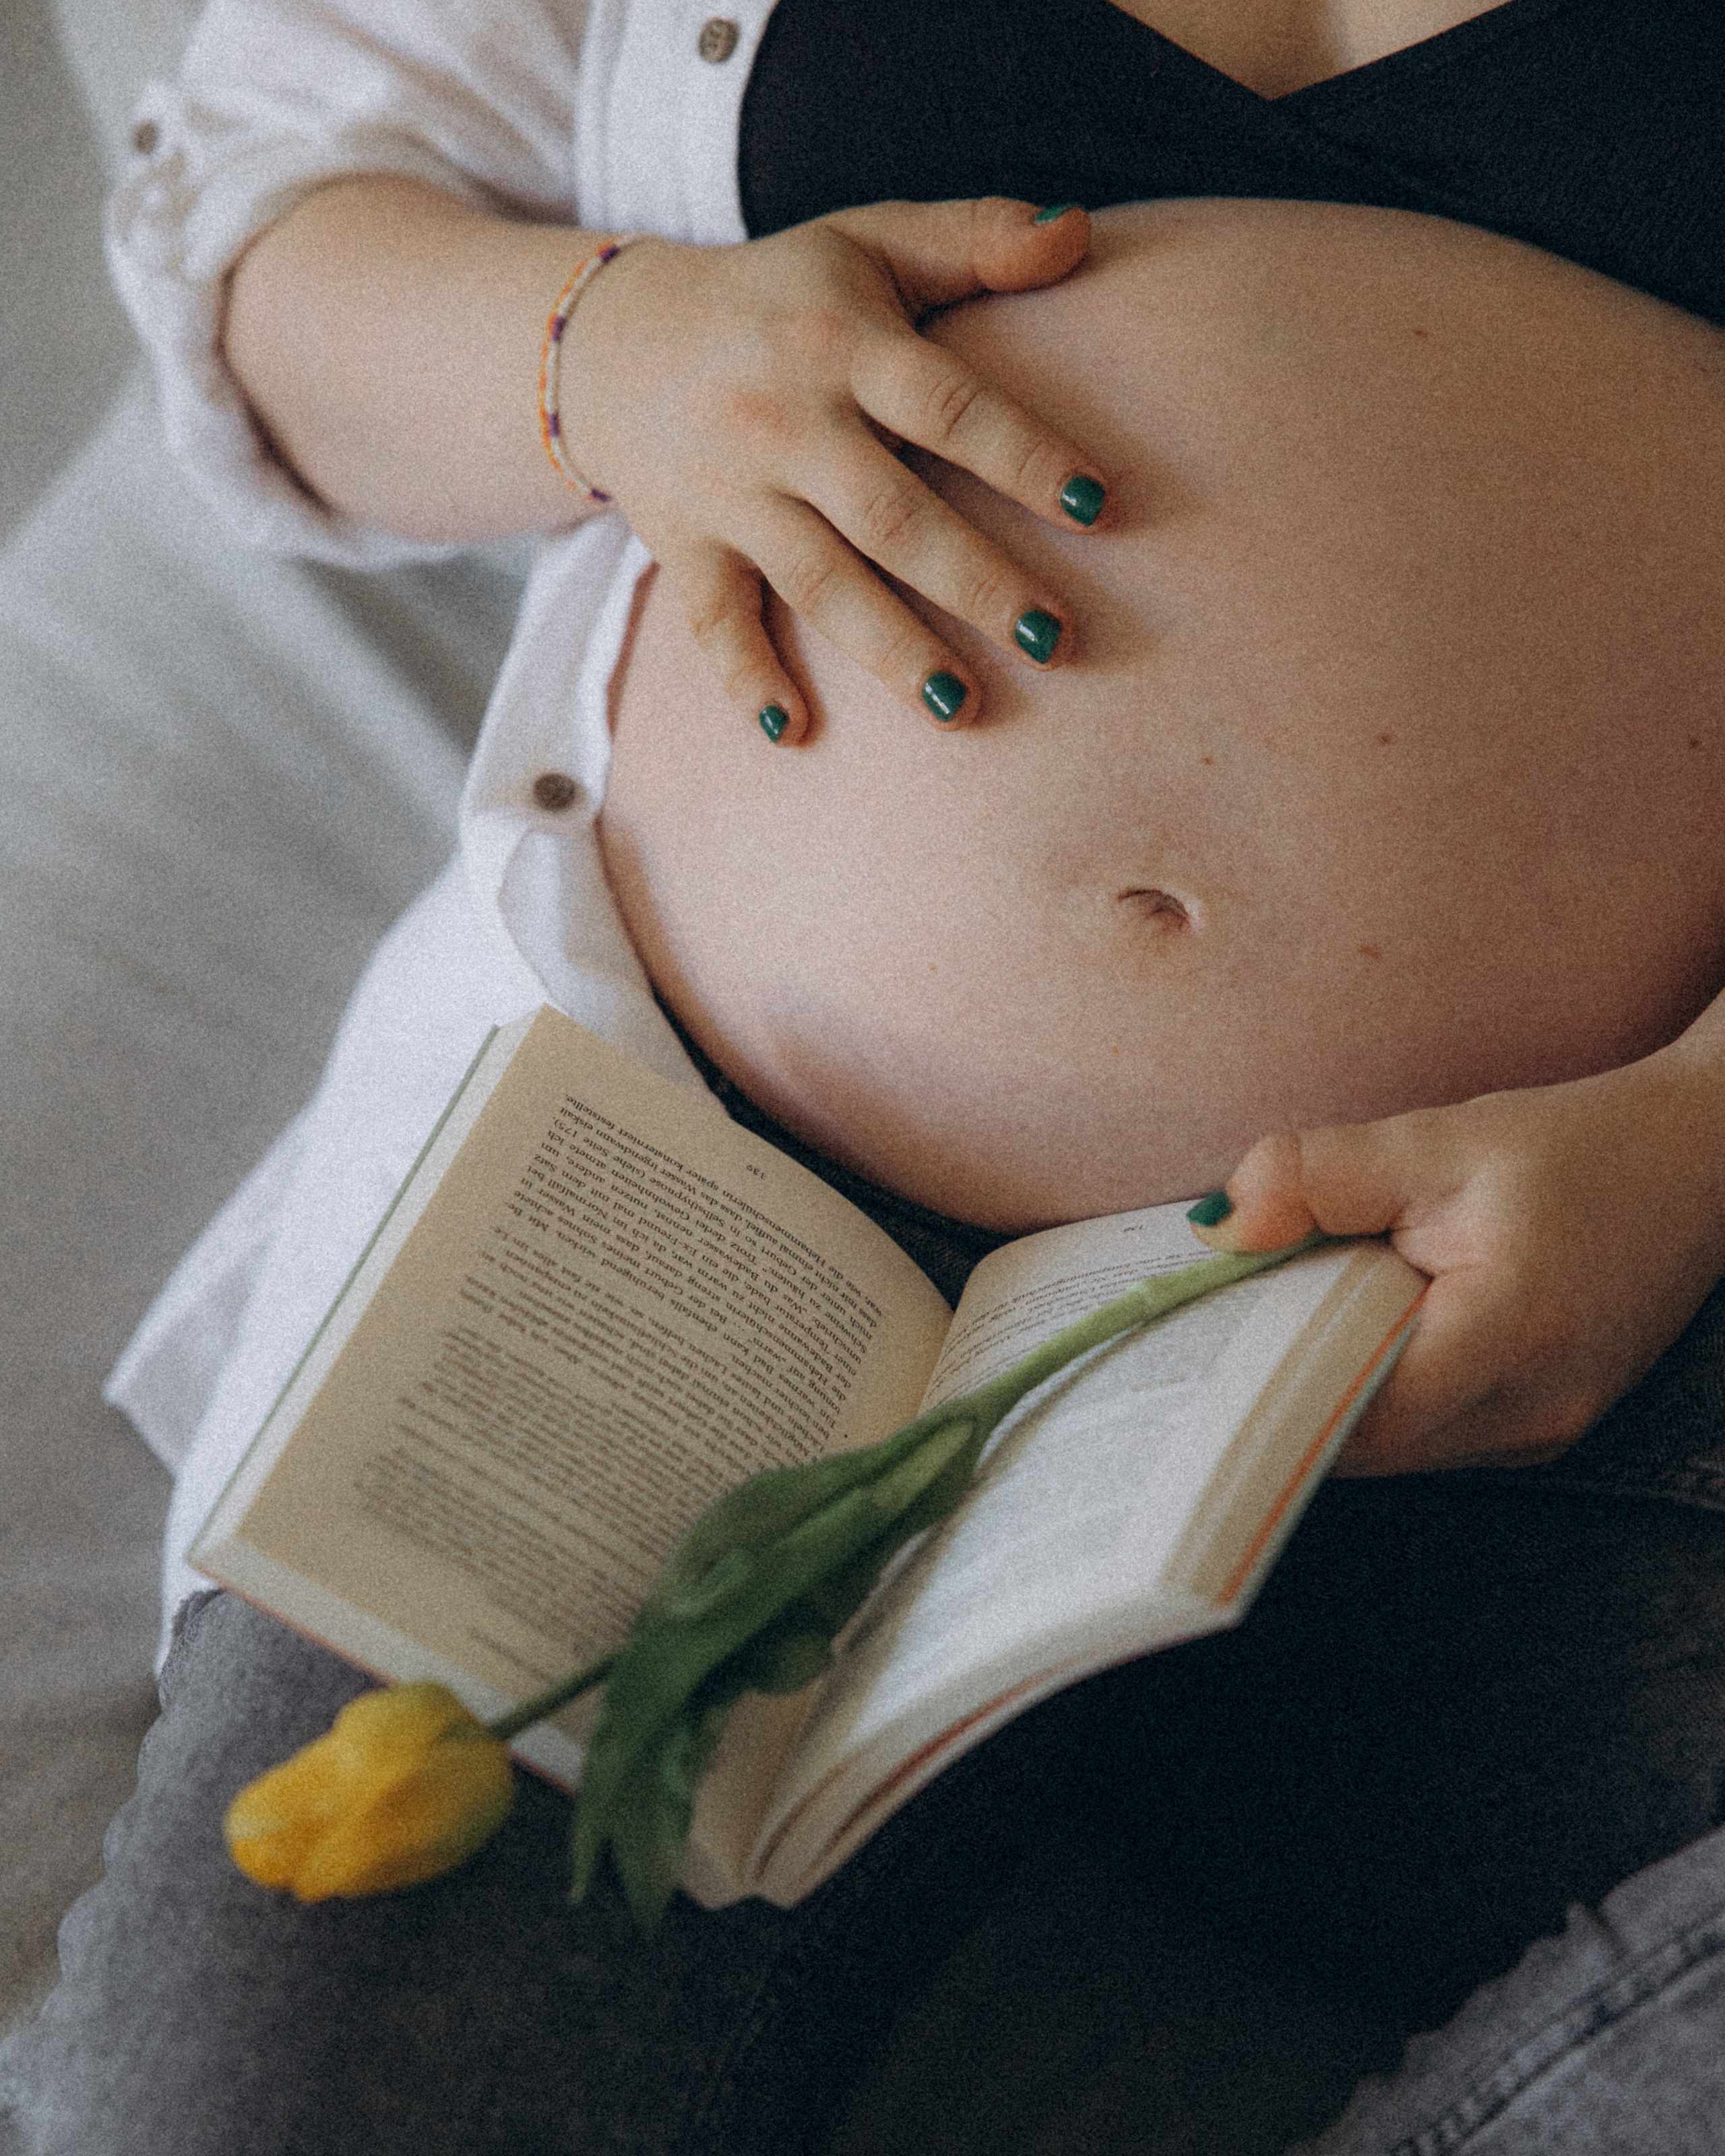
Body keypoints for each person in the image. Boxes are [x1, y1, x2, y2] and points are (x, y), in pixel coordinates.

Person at [5, 0, 1725, 2149]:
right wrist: (604, 353)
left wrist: (1701, 1136)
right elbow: (257, 239)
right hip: (720, 1261)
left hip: (1622, 1340)